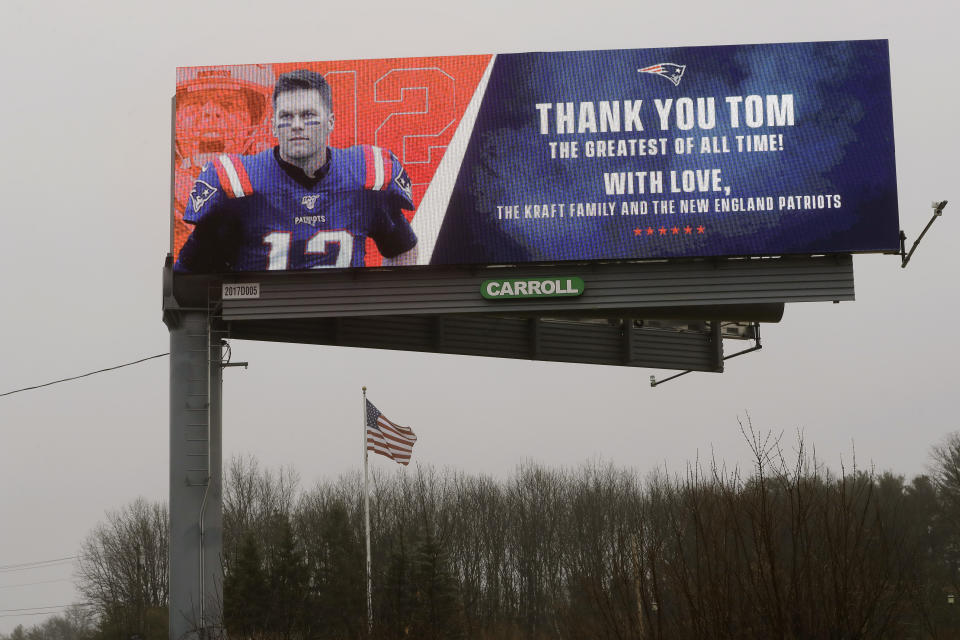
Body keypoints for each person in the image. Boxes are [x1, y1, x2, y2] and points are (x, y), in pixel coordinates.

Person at [174, 68, 418, 273]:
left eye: (308, 115)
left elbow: (403, 250)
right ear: (272, 126)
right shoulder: (235, 183)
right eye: (286, 116)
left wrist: (380, 304)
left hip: (340, 324)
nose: (297, 125)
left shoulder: (363, 176)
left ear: (330, 122)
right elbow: (189, 272)